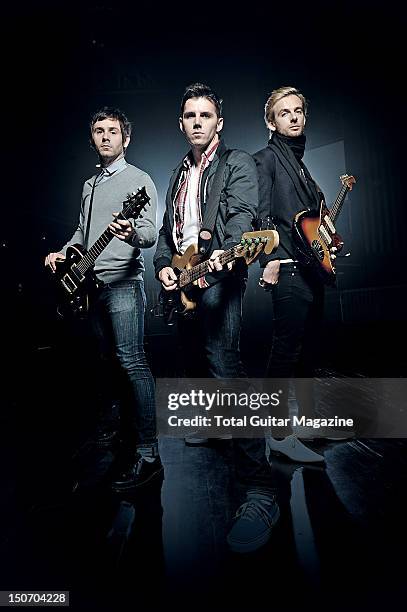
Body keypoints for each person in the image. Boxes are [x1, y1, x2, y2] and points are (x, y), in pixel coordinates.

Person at [154, 83, 279, 552]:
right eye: (190, 115)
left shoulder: (237, 163)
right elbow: (170, 233)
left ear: (218, 122)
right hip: (183, 281)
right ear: (182, 123)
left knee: (227, 369)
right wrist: (165, 265)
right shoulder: (178, 173)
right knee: (195, 365)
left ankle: (261, 490)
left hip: (219, 275)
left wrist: (222, 260)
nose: (198, 122)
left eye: (206, 115)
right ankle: (209, 427)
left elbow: (243, 221)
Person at [45, 106, 163, 489]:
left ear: (125, 138)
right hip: (90, 288)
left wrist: (130, 233)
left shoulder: (139, 179)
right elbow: (82, 232)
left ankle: (149, 453)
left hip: (125, 285)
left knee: (133, 362)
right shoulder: (89, 185)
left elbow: (150, 234)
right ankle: (119, 434)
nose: (106, 137)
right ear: (93, 138)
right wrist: (62, 253)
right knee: (108, 364)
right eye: (99, 131)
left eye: (113, 131)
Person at [253, 86, 326, 463]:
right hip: (286, 267)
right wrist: (270, 258)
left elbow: (310, 223)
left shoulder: (301, 166)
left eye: (298, 110)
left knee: (309, 352)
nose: (294, 117)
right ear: (271, 121)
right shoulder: (265, 159)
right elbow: (260, 214)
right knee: (285, 351)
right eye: (285, 112)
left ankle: (309, 425)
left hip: (313, 270)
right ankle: (279, 435)